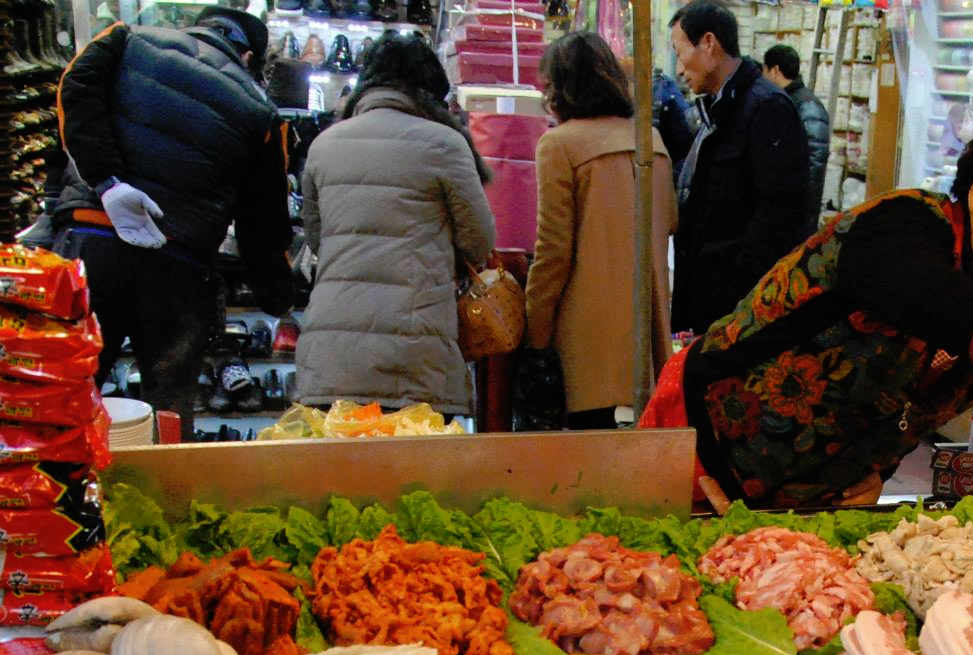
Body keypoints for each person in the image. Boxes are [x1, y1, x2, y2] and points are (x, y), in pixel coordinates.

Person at [646, 97, 973, 508]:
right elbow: (916, 289)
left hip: (804, 499)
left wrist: (874, 470)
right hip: (696, 449)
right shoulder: (902, 223)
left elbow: (906, 413)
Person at [52, 6, 293, 431]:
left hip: (91, 239)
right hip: (178, 263)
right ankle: (164, 486)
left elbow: (75, 88)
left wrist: (106, 181)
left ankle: (62, 486)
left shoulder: (126, 38)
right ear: (249, 57)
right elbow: (264, 222)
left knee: (65, 385)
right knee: (168, 404)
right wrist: (276, 295)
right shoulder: (260, 111)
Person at [295, 34, 495, 416]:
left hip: (330, 353)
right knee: (413, 473)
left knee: (338, 472)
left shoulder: (324, 145)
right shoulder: (444, 144)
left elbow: (319, 239)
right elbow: (478, 242)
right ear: (431, 90)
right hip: (414, 350)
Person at [524, 33, 675, 429]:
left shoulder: (559, 146)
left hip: (588, 340)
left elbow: (553, 250)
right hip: (648, 337)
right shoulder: (652, 141)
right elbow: (671, 222)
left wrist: (534, 331)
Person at [668, 1, 809, 335]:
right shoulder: (715, 110)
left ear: (708, 43)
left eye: (680, 51)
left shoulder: (765, 107)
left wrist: (738, 294)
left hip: (738, 307)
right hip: (708, 297)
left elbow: (780, 214)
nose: (678, 69)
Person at [762, 44, 830, 236]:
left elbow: (814, 161)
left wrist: (802, 210)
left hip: (798, 212)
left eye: (764, 71)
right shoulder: (785, 100)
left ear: (775, 70)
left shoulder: (806, 105)